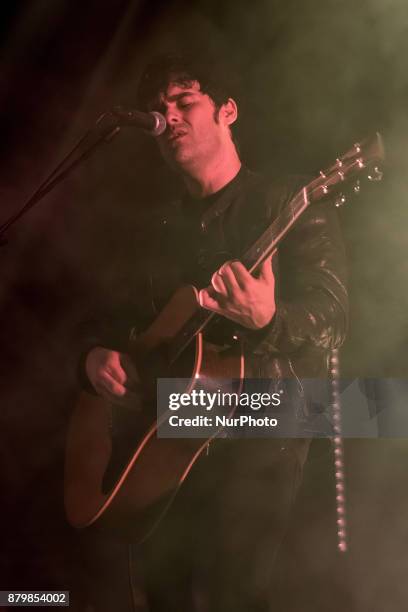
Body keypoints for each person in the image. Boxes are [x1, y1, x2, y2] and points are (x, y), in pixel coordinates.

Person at [78, 53, 348, 611]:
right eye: (158, 109)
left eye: (184, 101)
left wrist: (268, 320)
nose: (167, 117)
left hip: (264, 417)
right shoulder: (158, 227)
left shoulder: (290, 202)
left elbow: (333, 316)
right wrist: (92, 357)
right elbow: (113, 319)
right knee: (158, 591)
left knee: (233, 594)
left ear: (227, 111)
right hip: (169, 425)